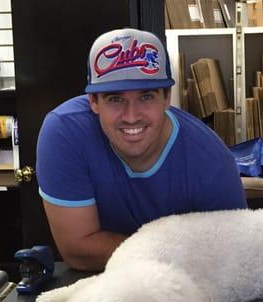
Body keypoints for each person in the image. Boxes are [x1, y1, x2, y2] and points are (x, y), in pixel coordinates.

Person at [36, 28, 247, 271]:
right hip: (99, 287)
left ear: (167, 97)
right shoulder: (65, 132)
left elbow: (232, 253)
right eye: (115, 99)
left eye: (146, 97)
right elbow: (78, 251)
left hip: (189, 292)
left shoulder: (212, 160)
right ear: (93, 102)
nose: (131, 116)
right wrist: (175, 253)